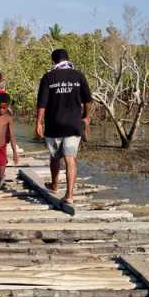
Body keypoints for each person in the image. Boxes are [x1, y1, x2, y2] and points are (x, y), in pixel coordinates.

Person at [35, 48, 93, 206]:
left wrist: (38, 123)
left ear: (53, 61)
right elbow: (88, 100)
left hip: (54, 125)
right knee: (70, 159)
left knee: (55, 157)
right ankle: (69, 195)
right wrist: (86, 117)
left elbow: (42, 104)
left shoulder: (48, 77)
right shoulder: (78, 76)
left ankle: (54, 185)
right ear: (67, 59)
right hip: (73, 125)